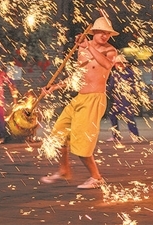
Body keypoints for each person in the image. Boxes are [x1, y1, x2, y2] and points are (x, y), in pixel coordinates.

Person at [39, 16, 119, 189]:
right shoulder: (81, 50)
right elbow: (77, 76)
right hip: (80, 98)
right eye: (101, 33)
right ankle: (64, 169)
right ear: (94, 32)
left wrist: (89, 45)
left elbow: (106, 65)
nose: (105, 36)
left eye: (107, 34)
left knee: (81, 142)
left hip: (95, 99)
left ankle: (96, 178)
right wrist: (55, 87)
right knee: (58, 133)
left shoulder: (110, 51)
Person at [106, 55, 142, 144]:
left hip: (126, 99)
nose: (117, 65)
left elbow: (133, 86)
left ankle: (135, 136)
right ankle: (116, 136)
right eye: (116, 64)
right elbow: (111, 86)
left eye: (119, 63)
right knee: (112, 116)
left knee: (129, 118)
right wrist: (106, 91)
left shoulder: (129, 73)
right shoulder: (115, 74)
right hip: (116, 99)